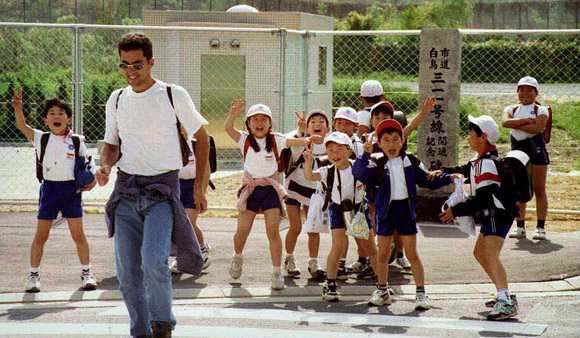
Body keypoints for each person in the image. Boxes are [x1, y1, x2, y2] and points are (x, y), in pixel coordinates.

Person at [96, 33, 209, 338]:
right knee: (128, 275)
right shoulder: (117, 98)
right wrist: (104, 164)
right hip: (126, 191)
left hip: (162, 191)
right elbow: (111, 144)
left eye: (137, 64)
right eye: (124, 64)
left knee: (154, 263)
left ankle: (162, 327)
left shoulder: (172, 94)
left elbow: (203, 137)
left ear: (151, 62)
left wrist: (199, 185)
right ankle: (140, 332)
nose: (130, 70)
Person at [354, 119, 457, 310]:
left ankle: (420, 294)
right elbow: (359, 173)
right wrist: (364, 154)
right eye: (386, 140)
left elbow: (427, 180)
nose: (391, 144)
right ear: (379, 142)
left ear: (402, 140)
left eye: (395, 139)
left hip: (405, 211)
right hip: (385, 212)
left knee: (412, 254)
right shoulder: (376, 162)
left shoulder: (410, 160)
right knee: (382, 254)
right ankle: (382, 290)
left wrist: (448, 178)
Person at [225, 99, 322, 290]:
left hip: (270, 189)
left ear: (270, 123)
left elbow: (295, 141)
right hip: (250, 188)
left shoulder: (276, 139)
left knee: (273, 230)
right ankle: (237, 257)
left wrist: (309, 138)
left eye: (264, 119)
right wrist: (232, 116)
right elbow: (229, 129)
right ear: (248, 123)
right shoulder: (244, 139)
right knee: (242, 230)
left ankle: (277, 272)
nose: (259, 123)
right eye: (255, 120)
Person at [12, 91, 97, 293]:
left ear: (68, 119)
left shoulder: (77, 141)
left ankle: (87, 273)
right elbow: (22, 126)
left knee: (78, 235)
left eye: (61, 113)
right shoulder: (41, 138)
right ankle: (33, 275)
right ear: (45, 120)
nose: (56, 116)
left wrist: (91, 180)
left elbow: (88, 164)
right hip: (50, 189)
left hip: (71, 191)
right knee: (41, 235)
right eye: (52, 113)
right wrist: (17, 108)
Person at [438, 115, 519, 321]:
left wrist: (455, 211)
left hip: (496, 214)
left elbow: (483, 198)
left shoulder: (487, 165)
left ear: (483, 136)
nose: (468, 137)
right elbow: (465, 170)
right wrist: (444, 172)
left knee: (490, 255)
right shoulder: (480, 161)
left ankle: (505, 301)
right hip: (492, 214)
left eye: (471, 133)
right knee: (481, 253)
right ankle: (504, 294)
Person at [358, 99, 435, 278]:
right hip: (375, 188)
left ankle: (400, 254)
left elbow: (411, 128)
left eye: (386, 116)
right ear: (371, 121)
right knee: (370, 221)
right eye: (377, 117)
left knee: (399, 226)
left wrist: (423, 113)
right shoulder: (365, 141)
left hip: (397, 191)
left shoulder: (395, 138)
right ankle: (368, 258)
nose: (381, 119)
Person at [304, 132, 378, 302]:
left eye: (339, 149)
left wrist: (367, 153)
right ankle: (330, 283)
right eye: (330, 150)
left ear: (349, 151)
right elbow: (309, 176)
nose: (335, 154)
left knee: (370, 247)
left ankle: (382, 284)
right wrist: (308, 162)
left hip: (358, 210)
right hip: (337, 209)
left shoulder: (357, 168)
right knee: (338, 246)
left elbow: (372, 176)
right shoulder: (326, 171)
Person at [283, 109, 330, 280]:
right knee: (295, 227)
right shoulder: (302, 141)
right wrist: (300, 132)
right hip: (294, 188)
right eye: (313, 122)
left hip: (315, 192)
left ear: (328, 127)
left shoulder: (330, 145)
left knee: (313, 229)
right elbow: (293, 151)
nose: (317, 124)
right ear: (308, 127)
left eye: (321, 121)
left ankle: (313, 262)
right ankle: (289, 259)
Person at [503, 76, 550, 240]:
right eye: (521, 90)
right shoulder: (512, 108)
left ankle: (540, 227)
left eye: (529, 90)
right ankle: (520, 226)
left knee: (539, 188)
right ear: (517, 91)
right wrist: (524, 121)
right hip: (518, 151)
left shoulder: (541, 110)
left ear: (536, 92)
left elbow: (538, 127)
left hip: (536, 149)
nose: (525, 93)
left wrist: (517, 123)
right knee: (519, 189)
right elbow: (505, 123)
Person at [332, 107, 367, 278]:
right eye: (340, 122)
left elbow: (362, 168)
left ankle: (365, 259)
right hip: (338, 195)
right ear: (334, 123)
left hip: (355, 196)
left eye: (348, 124)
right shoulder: (332, 141)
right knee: (342, 231)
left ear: (355, 126)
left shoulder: (357, 145)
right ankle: (341, 263)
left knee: (358, 230)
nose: (343, 126)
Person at [170, 136, 212, 274]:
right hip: (174, 184)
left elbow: (206, 169)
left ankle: (202, 249)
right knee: (172, 223)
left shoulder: (195, 142)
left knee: (188, 222)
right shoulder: (169, 140)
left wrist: (201, 192)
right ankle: (180, 256)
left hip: (193, 185)